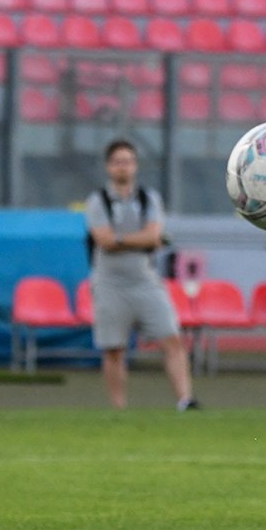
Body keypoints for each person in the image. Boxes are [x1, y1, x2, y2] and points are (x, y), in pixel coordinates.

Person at [85, 138, 197, 411]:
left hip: (144, 280)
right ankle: (119, 408)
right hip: (109, 283)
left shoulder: (149, 199)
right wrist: (140, 239)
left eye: (128, 161)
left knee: (172, 338)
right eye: (117, 162)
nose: (123, 167)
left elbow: (154, 235)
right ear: (108, 167)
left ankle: (185, 400)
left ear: (135, 166)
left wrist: (121, 239)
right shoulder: (98, 201)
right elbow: (104, 241)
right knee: (114, 348)